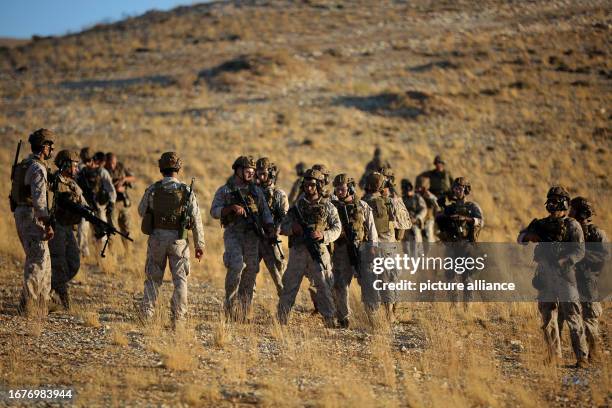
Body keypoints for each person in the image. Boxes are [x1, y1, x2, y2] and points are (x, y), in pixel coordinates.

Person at [518, 186, 588, 368]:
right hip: (545, 276)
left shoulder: (573, 225)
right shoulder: (540, 224)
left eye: (557, 199)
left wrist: (566, 260)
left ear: (565, 202)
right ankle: (554, 356)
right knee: (548, 318)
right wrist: (529, 236)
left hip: (565, 276)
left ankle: (582, 357)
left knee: (573, 317)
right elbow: (521, 238)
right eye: (551, 199)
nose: (553, 203)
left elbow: (580, 251)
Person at [138, 152, 204, 327]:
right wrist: (200, 245)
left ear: (161, 168)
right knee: (180, 280)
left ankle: (147, 315)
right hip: (179, 241)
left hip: (157, 240)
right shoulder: (186, 190)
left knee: (153, 278)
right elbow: (196, 219)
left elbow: (140, 211)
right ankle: (179, 319)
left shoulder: (153, 189)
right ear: (178, 168)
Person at [210, 156, 274, 321]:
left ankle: (244, 311)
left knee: (251, 270)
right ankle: (230, 308)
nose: (251, 173)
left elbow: (265, 213)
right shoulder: (225, 190)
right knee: (237, 265)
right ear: (237, 170)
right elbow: (214, 211)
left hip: (252, 235)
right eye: (247, 170)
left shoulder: (256, 191)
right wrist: (230, 208)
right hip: (233, 233)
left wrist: (270, 228)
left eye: (252, 171)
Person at [277, 169, 341, 327]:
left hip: (318, 252)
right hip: (298, 252)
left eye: (312, 185)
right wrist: (293, 229)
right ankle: (281, 320)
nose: (308, 188)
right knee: (289, 287)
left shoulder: (328, 207)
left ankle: (329, 320)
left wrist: (324, 235)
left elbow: (337, 228)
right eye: (305, 185)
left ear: (319, 186)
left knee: (324, 286)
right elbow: (282, 227)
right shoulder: (297, 207)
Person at [10, 129, 55, 315]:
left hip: (22, 212)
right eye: (50, 145)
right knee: (37, 258)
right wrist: (47, 222)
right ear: (44, 147)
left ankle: (43, 301)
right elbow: (39, 200)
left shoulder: (23, 164)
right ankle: (27, 304)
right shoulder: (37, 167)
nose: (52, 149)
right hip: (31, 214)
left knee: (43, 257)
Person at [563, 196, 608, 361]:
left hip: (588, 279)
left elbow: (604, 257)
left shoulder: (596, 233)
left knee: (589, 318)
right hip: (571, 279)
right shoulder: (569, 230)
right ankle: (581, 357)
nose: (569, 212)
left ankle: (594, 355)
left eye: (572, 209)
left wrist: (579, 255)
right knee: (573, 318)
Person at [330, 174, 378, 328]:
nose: (339, 192)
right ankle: (344, 319)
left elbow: (371, 229)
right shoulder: (332, 207)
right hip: (341, 250)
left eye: (342, 189)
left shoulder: (362, 206)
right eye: (337, 189)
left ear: (350, 188)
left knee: (368, 284)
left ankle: (373, 318)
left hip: (362, 249)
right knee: (340, 285)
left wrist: (373, 247)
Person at [362, 172, 405, 322]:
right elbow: (405, 222)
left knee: (370, 282)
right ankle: (390, 314)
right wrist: (395, 196)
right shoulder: (388, 202)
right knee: (390, 280)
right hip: (387, 247)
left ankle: (371, 316)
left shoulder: (361, 202)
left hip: (367, 247)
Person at [48, 150, 88, 309]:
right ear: (65, 165)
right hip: (56, 226)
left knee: (74, 262)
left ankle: (50, 285)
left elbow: (84, 205)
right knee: (58, 262)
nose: (77, 169)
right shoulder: (53, 182)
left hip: (68, 227)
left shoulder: (72, 184)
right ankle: (63, 298)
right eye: (74, 165)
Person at [436, 177, 484, 304]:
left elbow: (481, 221)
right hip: (452, 246)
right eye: (455, 188)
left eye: (460, 188)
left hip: (467, 245)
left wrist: (465, 219)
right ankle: (454, 304)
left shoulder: (472, 207)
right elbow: (441, 222)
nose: (457, 191)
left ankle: (467, 307)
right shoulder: (450, 208)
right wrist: (441, 208)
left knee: (466, 277)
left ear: (466, 190)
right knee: (450, 276)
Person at [255, 157, 288, 296]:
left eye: (264, 173)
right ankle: (244, 310)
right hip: (254, 238)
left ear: (271, 173)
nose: (261, 176)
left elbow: (285, 217)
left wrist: (276, 230)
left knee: (279, 274)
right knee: (249, 273)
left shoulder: (279, 194)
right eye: (259, 173)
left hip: (271, 239)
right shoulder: (252, 192)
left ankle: (284, 308)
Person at [76, 151, 116, 249]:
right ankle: (83, 254)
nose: (88, 163)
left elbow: (111, 189)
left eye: (90, 160)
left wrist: (111, 203)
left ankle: (102, 254)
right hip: (84, 206)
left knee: (102, 232)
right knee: (82, 231)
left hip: (98, 206)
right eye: (86, 161)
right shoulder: (81, 171)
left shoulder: (102, 172)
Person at [105, 152, 136, 248]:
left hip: (123, 202)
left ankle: (128, 252)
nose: (112, 165)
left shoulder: (121, 166)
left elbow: (133, 178)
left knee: (126, 228)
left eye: (113, 163)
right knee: (111, 229)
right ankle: (111, 253)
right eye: (110, 163)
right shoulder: (104, 171)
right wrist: (115, 188)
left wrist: (124, 179)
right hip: (111, 203)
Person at [401, 179, 426, 257]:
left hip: (415, 223)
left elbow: (423, 209)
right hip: (405, 224)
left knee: (417, 241)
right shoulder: (402, 199)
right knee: (406, 245)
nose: (408, 192)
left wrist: (418, 217)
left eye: (409, 189)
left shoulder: (417, 197)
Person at [415, 175, 440, 244]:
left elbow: (437, 205)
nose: (419, 189)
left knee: (429, 235)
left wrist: (430, 197)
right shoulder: (416, 196)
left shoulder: (430, 195)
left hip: (429, 218)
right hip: (418, 219)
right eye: (419, 187)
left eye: (421, 188)